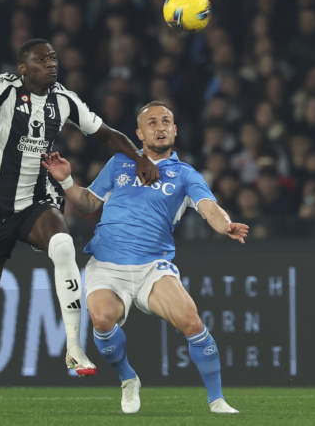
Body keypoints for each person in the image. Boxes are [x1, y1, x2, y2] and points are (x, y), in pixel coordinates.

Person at [0, 38, 160, 386]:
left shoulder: (64, 100)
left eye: (53, 58)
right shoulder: (6, 88)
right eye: (41, 60)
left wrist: (140, 158)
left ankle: (74, 347)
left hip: (34, 202)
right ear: (23, 68)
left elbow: (106, 134)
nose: (51, 63)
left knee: (64, 246)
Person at [42, 101, 248, 414]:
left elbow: (209, 208)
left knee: (192, 322)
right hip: (106, 265)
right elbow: (87, 204)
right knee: (101, 319)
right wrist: (66, 180)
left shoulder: (184, 174)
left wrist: (226, 225)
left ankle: (217, 400)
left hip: (152, 267)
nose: (160, 127)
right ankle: (128, 378)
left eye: (166, 121)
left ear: (175, 130)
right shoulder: (119, 163)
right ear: (139, 133)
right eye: (152, 123)